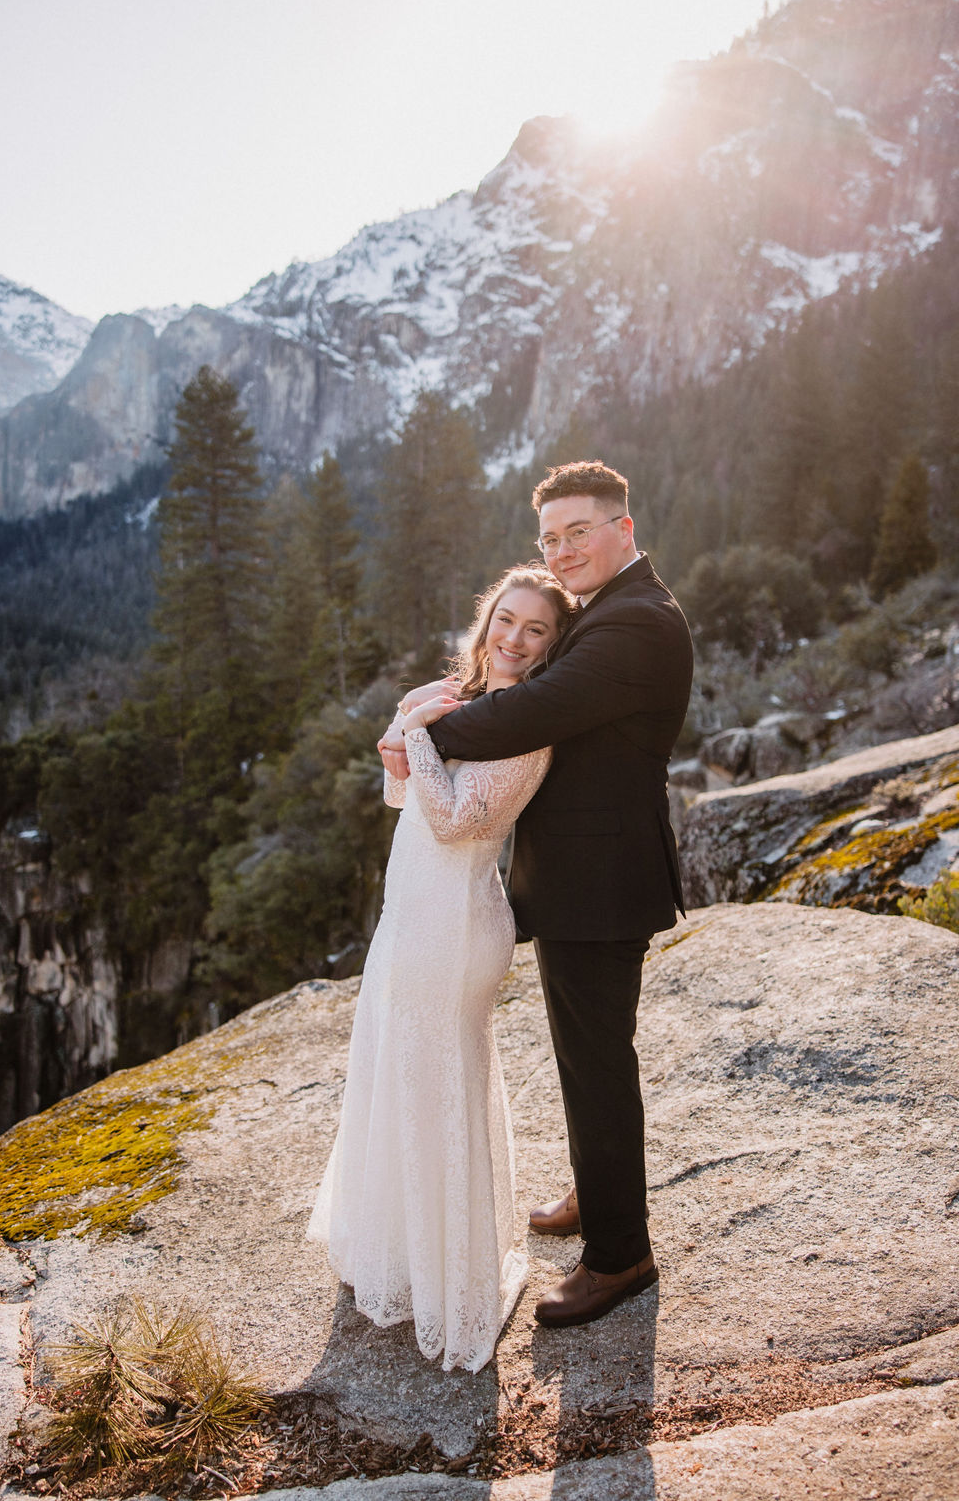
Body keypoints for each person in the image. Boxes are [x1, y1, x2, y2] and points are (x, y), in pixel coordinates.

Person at [379, 461, 693, 1330]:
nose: (562, 549)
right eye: (550, 537)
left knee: (597, 1062)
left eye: (578, 531)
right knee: (583, 1055)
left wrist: (421, 729)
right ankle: (599, 1194)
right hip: (578, 880)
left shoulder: (637, 623)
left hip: (604, 883)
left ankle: (618, 1254)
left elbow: (528, 713)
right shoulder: (611, 611)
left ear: (623, 528)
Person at [308, 564, 574, 1373]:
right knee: (396, 1071)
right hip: (409, 914)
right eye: (508, 619)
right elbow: (403, 801)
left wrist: (416, 734)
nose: (516, 638)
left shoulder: (528, 724)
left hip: (456, 924)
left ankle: (453, 1283)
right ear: (487, 617)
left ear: (553, 647)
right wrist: (402, 747)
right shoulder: (452, 692)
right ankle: (400, 1254)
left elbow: (459, 820)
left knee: (440, 1083)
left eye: (537, 630)